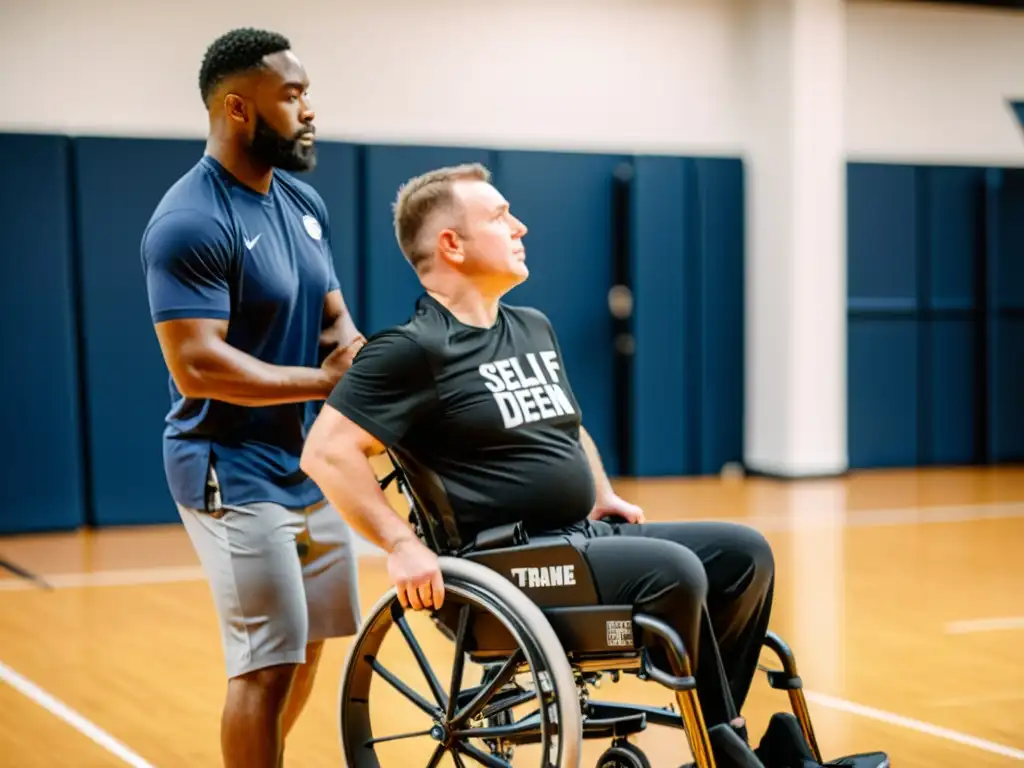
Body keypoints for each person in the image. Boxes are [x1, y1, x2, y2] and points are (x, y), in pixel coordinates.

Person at [299, 164, 882, 768]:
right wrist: (399, 543)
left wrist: (601, 492)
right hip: (500, 564)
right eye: (500, 216)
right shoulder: (412, 350)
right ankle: (728, 754)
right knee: (672, 569)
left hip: (577, 540)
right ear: (452, 243)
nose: (520, 225)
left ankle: (725, 736)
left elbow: (568, 427)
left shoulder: (531, 326)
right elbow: (326, 451)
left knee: (743, 553)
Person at [140, 28, 363, 768]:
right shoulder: (190, 221)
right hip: (228, 468)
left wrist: (367, 364)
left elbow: (335, 323)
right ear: (238, 108)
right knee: (264, 663)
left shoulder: (302, 204)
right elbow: (198, 366)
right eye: (291, 95)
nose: (309, 110)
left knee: (312, 645)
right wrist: (324, 383)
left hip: (302, 464)